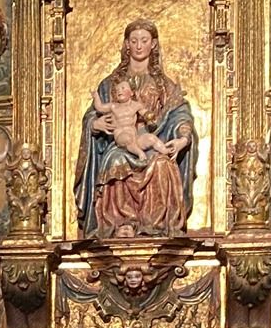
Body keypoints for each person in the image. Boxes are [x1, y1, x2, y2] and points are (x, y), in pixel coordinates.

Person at [75, 19, 196, 237]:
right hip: (120, 144)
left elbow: (180, 115)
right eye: (134, 41)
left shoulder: (165, 86)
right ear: (127, 45)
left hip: (149, 142)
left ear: (153, 45)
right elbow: (94, 113)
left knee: (162, 165)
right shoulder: (110, 85)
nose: (139, 46)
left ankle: (154, 225)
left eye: (144, 40)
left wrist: (182, 139)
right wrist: (96, 124)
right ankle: (122, 222)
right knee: (115, 161)